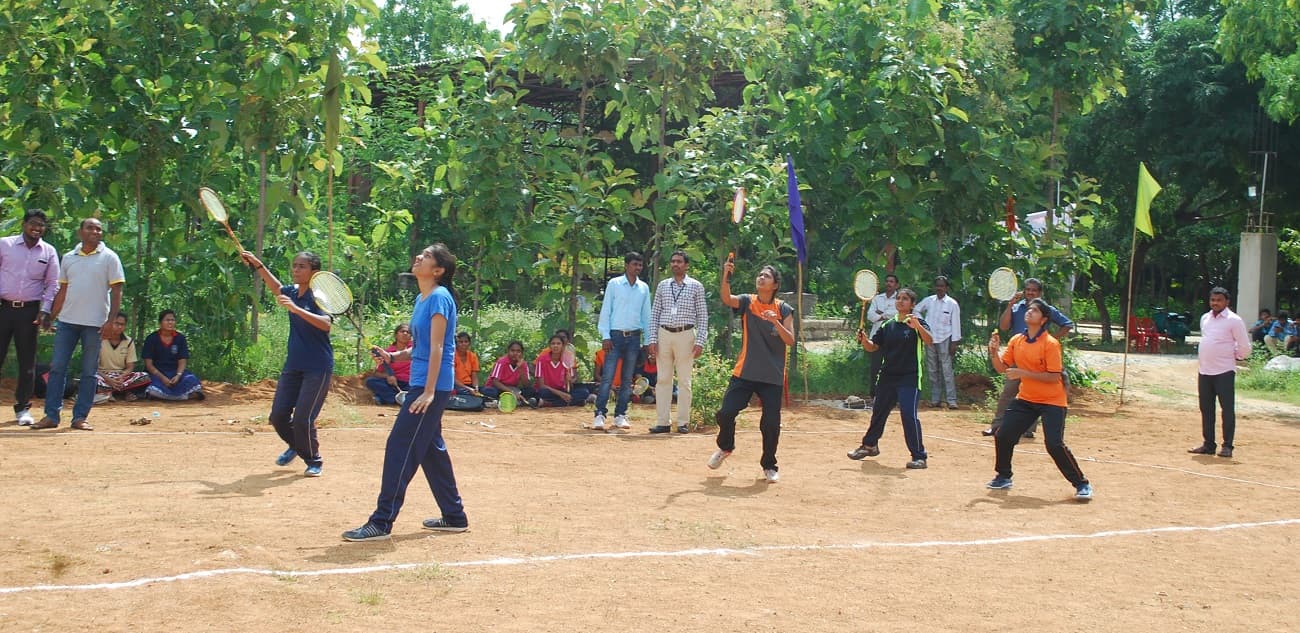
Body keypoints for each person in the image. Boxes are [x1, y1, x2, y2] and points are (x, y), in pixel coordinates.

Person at [343, 243, 469, 541]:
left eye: (425, 256)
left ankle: (381, 522)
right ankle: (454, 515)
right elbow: (423, 347)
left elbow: (440, 347)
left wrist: (427, 392)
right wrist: (393, 357)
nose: (418, 257)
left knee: (400, 447)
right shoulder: (422, 298)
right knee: (430, 450)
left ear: (438, 270)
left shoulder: (439, 297)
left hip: (431, 387)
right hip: (425, 383)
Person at [986, 298, 1093, 501]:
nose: (1029, 312)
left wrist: (1023, 373)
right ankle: (1003, 476)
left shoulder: (1050, 344)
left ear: (1044, 319)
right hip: (1027, 398)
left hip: (1052, 400)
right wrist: (993, 353)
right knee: (1003, 434)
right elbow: (1002, 369)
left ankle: (1081, 484)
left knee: (1054, 444)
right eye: (1029, 309)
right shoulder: (1017, 340)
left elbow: (1054, 376)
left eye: (1035, 311)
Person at [241, 250, 332, 477]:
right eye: (294, 265)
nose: (296, 270)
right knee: (278, 416)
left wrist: (295, 309)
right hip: (294, 365)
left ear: (314, 272)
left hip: (317, 366)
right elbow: (275, 287)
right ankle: (296, 446)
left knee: (303, 418)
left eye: (302, 266)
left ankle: (314, 460)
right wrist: (258, 264)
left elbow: (326, 324)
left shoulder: (319, 296)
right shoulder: (292, 291)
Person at [706, 260, 794, 483]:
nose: (761, 278)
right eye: (760, 275)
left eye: (766, 276)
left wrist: (777, 323)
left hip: (772, 376)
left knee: (770, 424)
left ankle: (769, 465)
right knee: (725, 413)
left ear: (775, 285)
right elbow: (727, 298)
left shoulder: (783, 309)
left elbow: (791, 340)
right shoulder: (748, 302)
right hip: (745, 371)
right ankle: (726, 447)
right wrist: (726, 275)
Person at [34, 218, 124, 431]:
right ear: (80, 232)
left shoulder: (110, 258)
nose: (95, 231)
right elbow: (63, 291)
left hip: (95, 324)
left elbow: (118, 291)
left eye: (99, 228)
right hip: (67, 323)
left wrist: (111, 322)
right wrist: (50, 316)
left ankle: (80, 417)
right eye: (91, 227)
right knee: (57, 368)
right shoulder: (68, 258)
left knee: (89, 372)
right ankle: (51, 416)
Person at [847, 288, 932, 469]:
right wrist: (864, 340)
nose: (900, 301)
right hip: (887, 376)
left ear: (912, 304)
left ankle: (919, 456)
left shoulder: (918, 322)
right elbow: (873, 347)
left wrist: (917, 327)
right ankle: (869, 445)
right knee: (879, 412)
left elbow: (930, 340)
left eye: (905, 299)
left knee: (909, 416)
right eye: (898, 298)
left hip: (910, 377)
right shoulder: (888, 325)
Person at [982, 277, 1074, 438]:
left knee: (1037, 396)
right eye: (1028, 290)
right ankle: (997, 426)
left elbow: (1067, 324)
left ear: (1040, 293)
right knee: (1008, 393)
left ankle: (1028, 429)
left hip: (1039, 360)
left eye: (1034, 290)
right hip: (1019, 355)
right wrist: (1010, 305)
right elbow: (1004, 327)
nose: (1030, 292)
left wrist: (1051, 340)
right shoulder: (1017, 311)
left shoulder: (1046, 311)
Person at [0, 210, 60, 425]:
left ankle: (22, 409)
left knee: (27, 363)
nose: (37, 228)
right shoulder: (4, 245)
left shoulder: (48, 251)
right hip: (3, 308)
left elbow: (53, 283)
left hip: (30, 313)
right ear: (24, 224)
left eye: (41, 225)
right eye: (33, 224)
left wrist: (45, 311)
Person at [647, 250, 708, 434]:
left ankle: (682, 422)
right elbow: (655, 313)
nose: (675, 264)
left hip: (686, 334)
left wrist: (700, 341)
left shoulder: (696, 286)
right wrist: (652, 339)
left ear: (686, 265)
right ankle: (663, 422)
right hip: (664, 333)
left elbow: (703, 315)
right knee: (663, 379)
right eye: (673, 261)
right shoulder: (663, 285)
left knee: (684, 380)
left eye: (679, 262)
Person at [1188, 287, 1251, 458]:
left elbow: (1244, 346)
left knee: (1227, 409)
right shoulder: (1205, 318)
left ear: (1227, 302)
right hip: (1205, 371)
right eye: (1213, 300)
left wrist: (1237, 357)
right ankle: (1208, 444)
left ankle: (1227, 446)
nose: (1215, 303)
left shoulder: (1234, 320)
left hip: (1224, 371)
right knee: (1206, 409)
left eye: (1219, 300)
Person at [592, 252, 651, 431]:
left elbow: (646, 315)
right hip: (615, 336)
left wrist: (648, 340)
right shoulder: (614, 284)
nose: (637, 268)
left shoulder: (643, 288)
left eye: (640, 265)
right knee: (607, 377)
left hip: (634, 337)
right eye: (634, 264)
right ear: (626, 265)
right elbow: (606, 310)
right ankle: (600, 415)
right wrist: (605, 336)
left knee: (627, 379)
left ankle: (620, 415)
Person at [915, 275, 961, 409]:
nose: (939, 288)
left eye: (942, 286)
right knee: (932, 369)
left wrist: (954, 342)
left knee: (946, 370)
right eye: (938, 285)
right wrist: (922, 324)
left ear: (946, 288)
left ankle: (951, 400)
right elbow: (916, 310)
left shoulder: (952, 304)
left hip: (945, 338)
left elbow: (956, 324)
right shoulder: (929, 301)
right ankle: (936, 399)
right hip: (930, 338)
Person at [141, 310, 205, 401]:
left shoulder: (180, 338)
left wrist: (178, 376)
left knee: (192, 380)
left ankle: (168, 397)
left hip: (175, 372)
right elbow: (148, 364)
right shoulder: (151, 338)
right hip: (157, 373)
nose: (170, 322)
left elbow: (182, 360)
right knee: (151, 387)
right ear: (160, 322)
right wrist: (163, 378)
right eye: (167, 320)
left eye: (172, 320)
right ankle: (184, 397)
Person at [95, 312, 150, 402]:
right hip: (103, 375)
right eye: (116, 324)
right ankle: (119, 392)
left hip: (121, 375)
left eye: (122, 324)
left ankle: (114, 392)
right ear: (109, 323)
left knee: (144, 376)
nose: (119, 327)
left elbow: (130, 367)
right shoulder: (99, 340)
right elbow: (93, 367)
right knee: (93, 379)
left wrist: (121, 377)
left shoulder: (128, 342)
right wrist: (108, 379)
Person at [864, 273, 900, 404]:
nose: (889, 284)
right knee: (875, 367)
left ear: (897, 285)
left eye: (892, 281)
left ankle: (893, 397)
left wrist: (881, 314)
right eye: (887, 281)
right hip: (877, 337)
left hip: (894, 337)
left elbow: (897, 315)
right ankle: (874, 395)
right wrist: (886, 315)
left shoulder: (900, 299)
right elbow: (870, 316)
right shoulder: (877, 299)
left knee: (893, 367)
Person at [535, 334, 591, 407]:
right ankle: (574, 402)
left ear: (563, 346)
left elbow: (569, 387)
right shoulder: (541, 360)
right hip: (549, 390)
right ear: (549, 346)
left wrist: (569, 381)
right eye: (553, 343)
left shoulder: (567, 359)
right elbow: (541, 385)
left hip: (562, 390)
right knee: (543, 392)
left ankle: (549, 403)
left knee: (584, 392)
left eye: (558, 344)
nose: (556, 346)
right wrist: (561, 394)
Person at [365, 324, 413, 405]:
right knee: (371, 381)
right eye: (402, 331)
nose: (405, 333)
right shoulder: (387, 352)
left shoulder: (415, 348)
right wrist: (388, 376)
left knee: (418, 388)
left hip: (411, 382)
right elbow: (377, 373)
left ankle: (385, 399)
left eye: (408, 332)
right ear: (396, 335)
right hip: (394, 383)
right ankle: (397, 400)